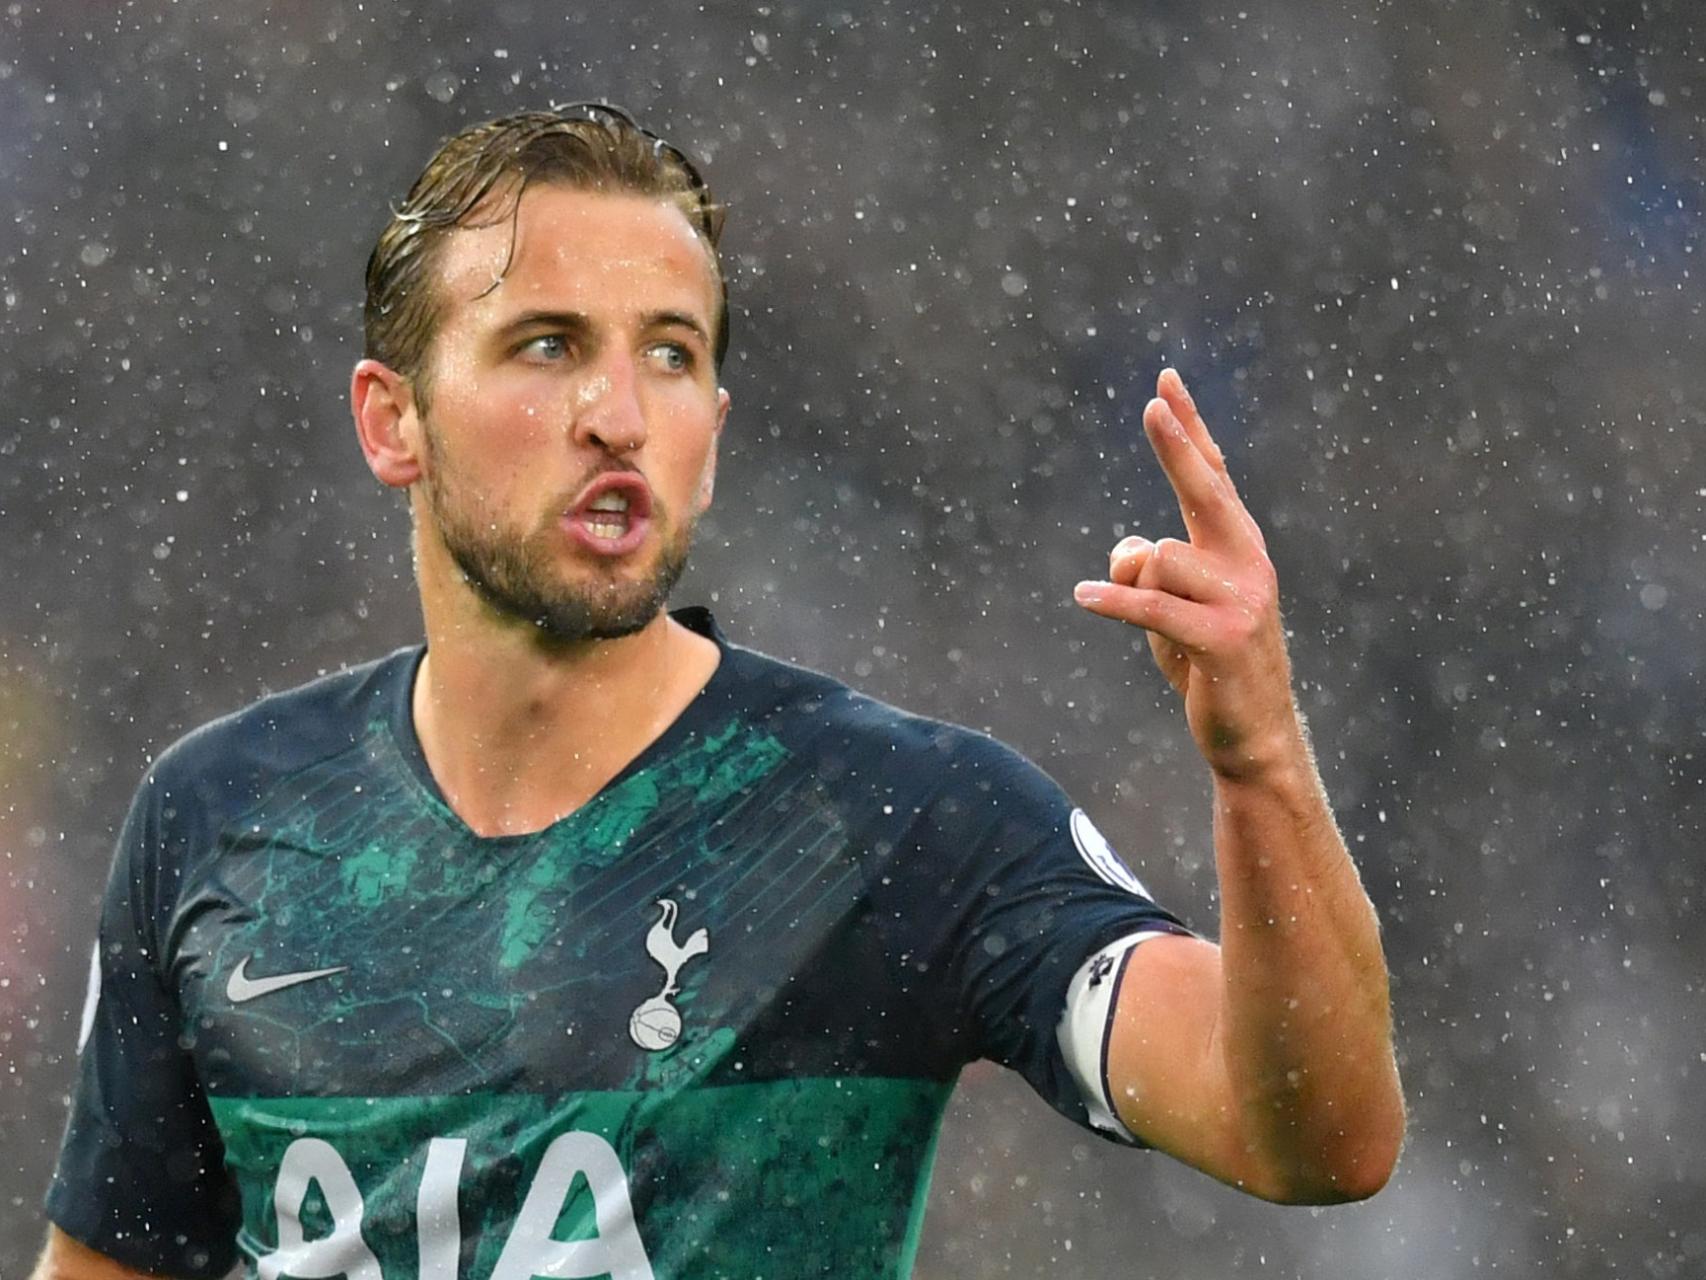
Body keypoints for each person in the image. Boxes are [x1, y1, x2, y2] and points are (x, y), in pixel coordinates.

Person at [33, 104, 1404, 1280]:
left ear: (712, 435)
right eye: (547, 345)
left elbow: (1313, 1137)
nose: (619, 413)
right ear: (394, 420)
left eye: (670, 353)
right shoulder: (222, 817)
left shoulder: (887, 816)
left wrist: (1260, 763)